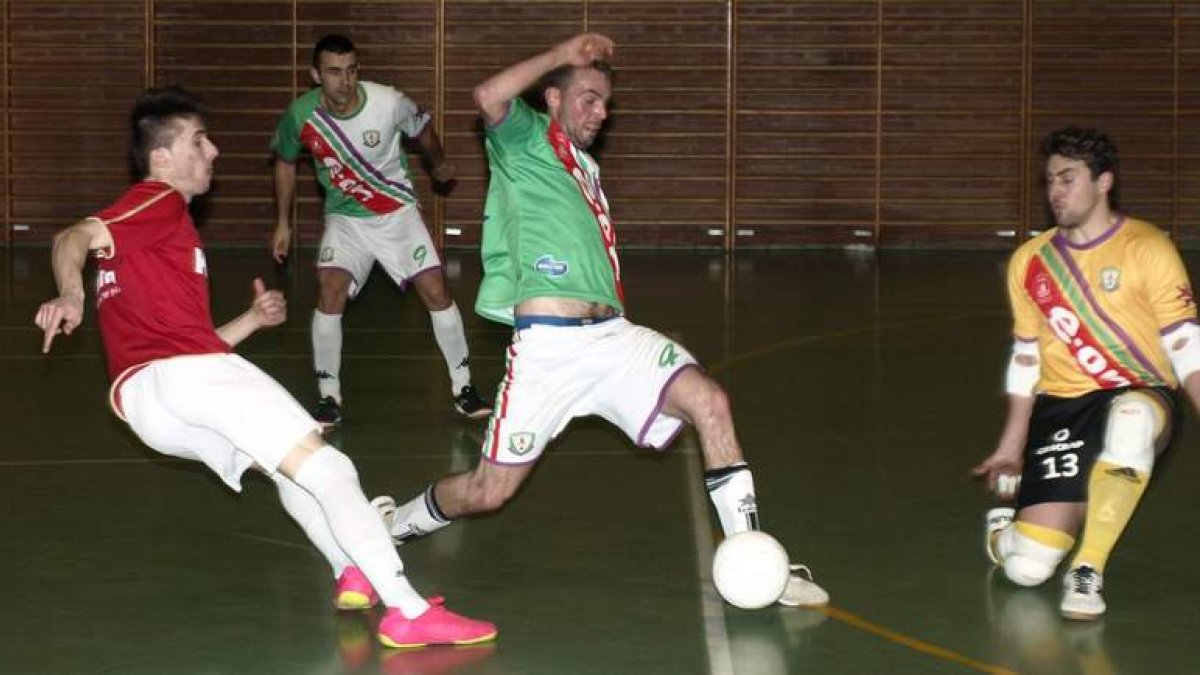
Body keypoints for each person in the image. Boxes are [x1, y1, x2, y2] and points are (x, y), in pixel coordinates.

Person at [370, 33, 829, 609]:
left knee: (710, 401)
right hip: (549, 350)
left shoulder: (584, 167)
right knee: (489, 491)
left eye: (605, 102)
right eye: (588, 97)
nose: (601, 112)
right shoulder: (524, 139)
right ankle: (393, 525)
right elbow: (487, 94)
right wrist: (565, 54)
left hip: (613, 337)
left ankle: (754, 558)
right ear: (553, 99)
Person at [34, 85, 496, 649]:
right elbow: (72, 237)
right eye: (199, 140)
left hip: (149, 403)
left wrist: (250, 321)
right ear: (162, 157)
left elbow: (184, 346)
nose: (214, 151)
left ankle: (350, 572)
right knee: (332, 472)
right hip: (186, 379)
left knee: (285, 469)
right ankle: (408, 610)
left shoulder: (159, 236)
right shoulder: (156, 200)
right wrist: (71, 295)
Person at [973, 126, 1200, 620]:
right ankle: (1005, 531)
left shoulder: (1149, 248)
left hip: (1141, 392)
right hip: (1063, 409)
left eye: (1068, 179)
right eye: (1050, 180)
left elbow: (1186, 349)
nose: (1055, 191)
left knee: (1132, 419)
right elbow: (1027, 358)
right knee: (1027, 569)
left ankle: (1088, 570)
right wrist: (1012, 445)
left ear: (1104, 183)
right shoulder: (1031, 262)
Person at [270, 33, 491, 427]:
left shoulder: (389, 102)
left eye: (352, 69)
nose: (346, 80)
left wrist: (438, 162)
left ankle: (464, 388)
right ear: (315, 75)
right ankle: (328, 397)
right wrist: (283, 223)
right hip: (345, 220)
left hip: (397, 213)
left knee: (437, 290)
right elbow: (286, 161)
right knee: (330, 290)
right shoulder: (301, 115)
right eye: (334, 72)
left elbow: (422, 127)